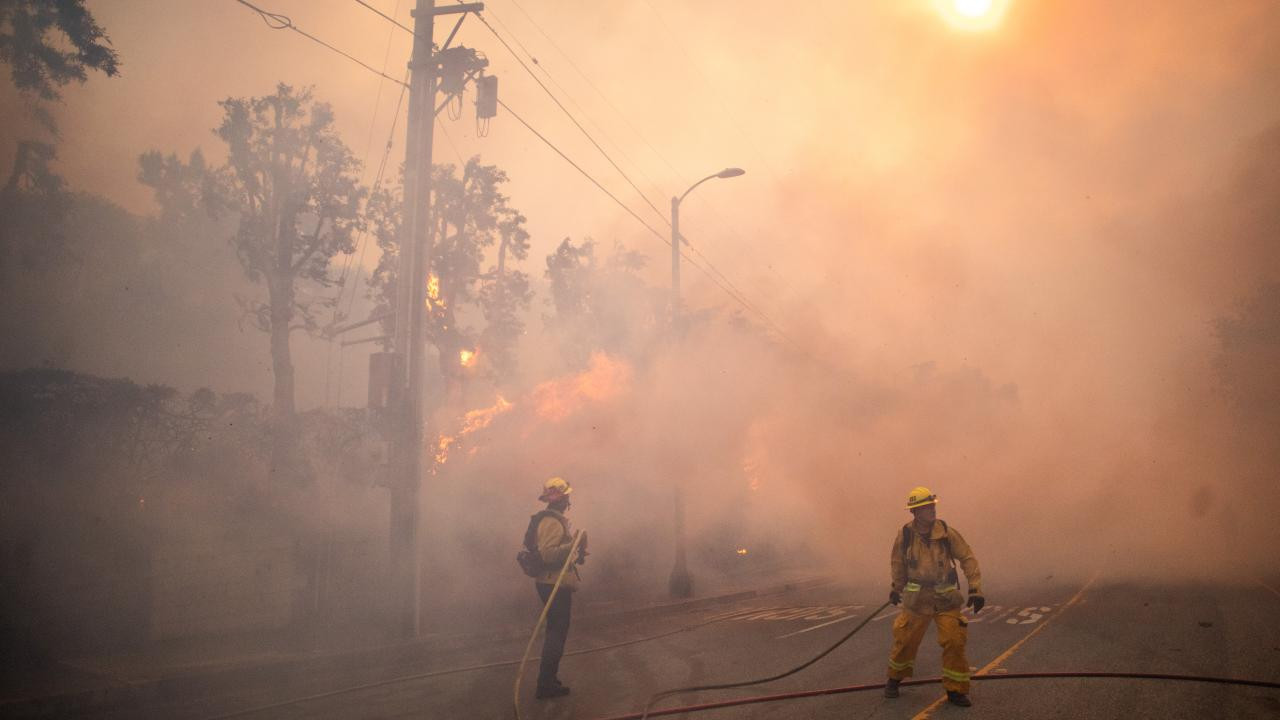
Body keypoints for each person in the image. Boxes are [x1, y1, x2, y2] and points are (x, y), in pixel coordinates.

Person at [883, 486, 984, 707]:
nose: (931, 510)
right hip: (917, 600)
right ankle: (894, 679)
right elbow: (897, 563)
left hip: (945, 599)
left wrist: (975, 588)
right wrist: (896, 588)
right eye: (926, 507)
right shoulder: (906, 535)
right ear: (915, 512)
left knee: (954, 641)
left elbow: (967, 557)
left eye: (932, 506)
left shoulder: (946, 532)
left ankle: (955, 690)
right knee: (905, 641)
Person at [527, 476, 587, 699]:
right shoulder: (551, 521)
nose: (568, 500)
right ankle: (545, 684)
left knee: (557, 631)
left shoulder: (555, 519)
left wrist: (575, 551)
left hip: (553, 581)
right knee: (556, 633)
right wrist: (575, 543)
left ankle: (549, 679)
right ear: (560, 499)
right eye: (566, 496)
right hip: (553, 584)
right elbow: (549, 553)